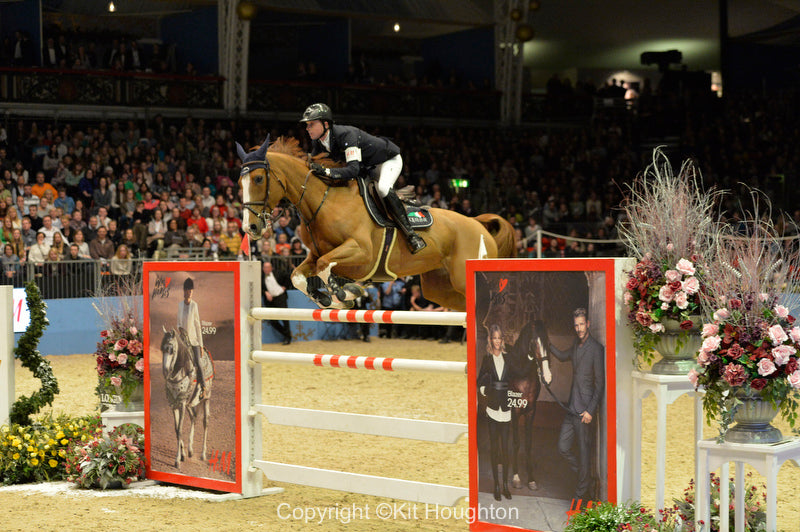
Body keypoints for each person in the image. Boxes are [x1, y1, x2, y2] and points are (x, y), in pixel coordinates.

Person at [299, 103, 426, 254]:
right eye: (307, 125)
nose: (308, 128)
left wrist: (327, 172)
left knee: (383, 188)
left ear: (325, 124)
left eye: (311, 124)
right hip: (367, 167)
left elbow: (353, 170)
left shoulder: (346, 135)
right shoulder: (318, 142)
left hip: (386, 160)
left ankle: (411, 235)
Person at [548, 307, 605, 504]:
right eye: (576, 325)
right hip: (571, 409)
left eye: (582, 324)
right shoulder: (575, 345)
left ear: (588, 324)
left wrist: (590, 410)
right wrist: (547, 345)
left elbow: (600, 384)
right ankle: (585, 477)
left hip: (584, 413)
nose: (579, 328)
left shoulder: (596, 349)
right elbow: (563, 357)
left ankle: (580, 496)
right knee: (563, 447)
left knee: (583, 453)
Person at [476, 324, 515, 501]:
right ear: (490, 340)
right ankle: (497, 485)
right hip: (492, 409)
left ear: (502, 340)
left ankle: (506, 485)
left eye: (500, 338)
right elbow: (479, 381)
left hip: (506, 410)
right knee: (494, 449)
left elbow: (515, 378)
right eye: (495, 338)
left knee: (505, 449)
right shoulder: (487, 358)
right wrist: (485, 390)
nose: (497, 341)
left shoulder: (509, 358)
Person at [177, 277, 207, 398]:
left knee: (198, 364)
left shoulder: (194, 305)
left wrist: (200, 345)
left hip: (194, 341)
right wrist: (180, 330)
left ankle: (203, 387)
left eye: (190, 291)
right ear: (184, 291)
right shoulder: (180, 305)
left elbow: (197, 325)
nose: (189, 293)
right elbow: (178, 323)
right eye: (187, 290)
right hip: (183, 341)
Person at [261, 261, 291, 345]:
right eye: (264, 267)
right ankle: (286, 334)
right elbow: (259, 287)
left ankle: (287, 338)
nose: (266, 269)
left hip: (280, 297)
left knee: (284, 318)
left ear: (271, 268)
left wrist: (284, 287)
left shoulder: (278, 273)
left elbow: (288, 277)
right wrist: (265, 292)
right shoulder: (260, 277)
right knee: (273, 321)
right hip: (270, 300)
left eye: (268, 267)